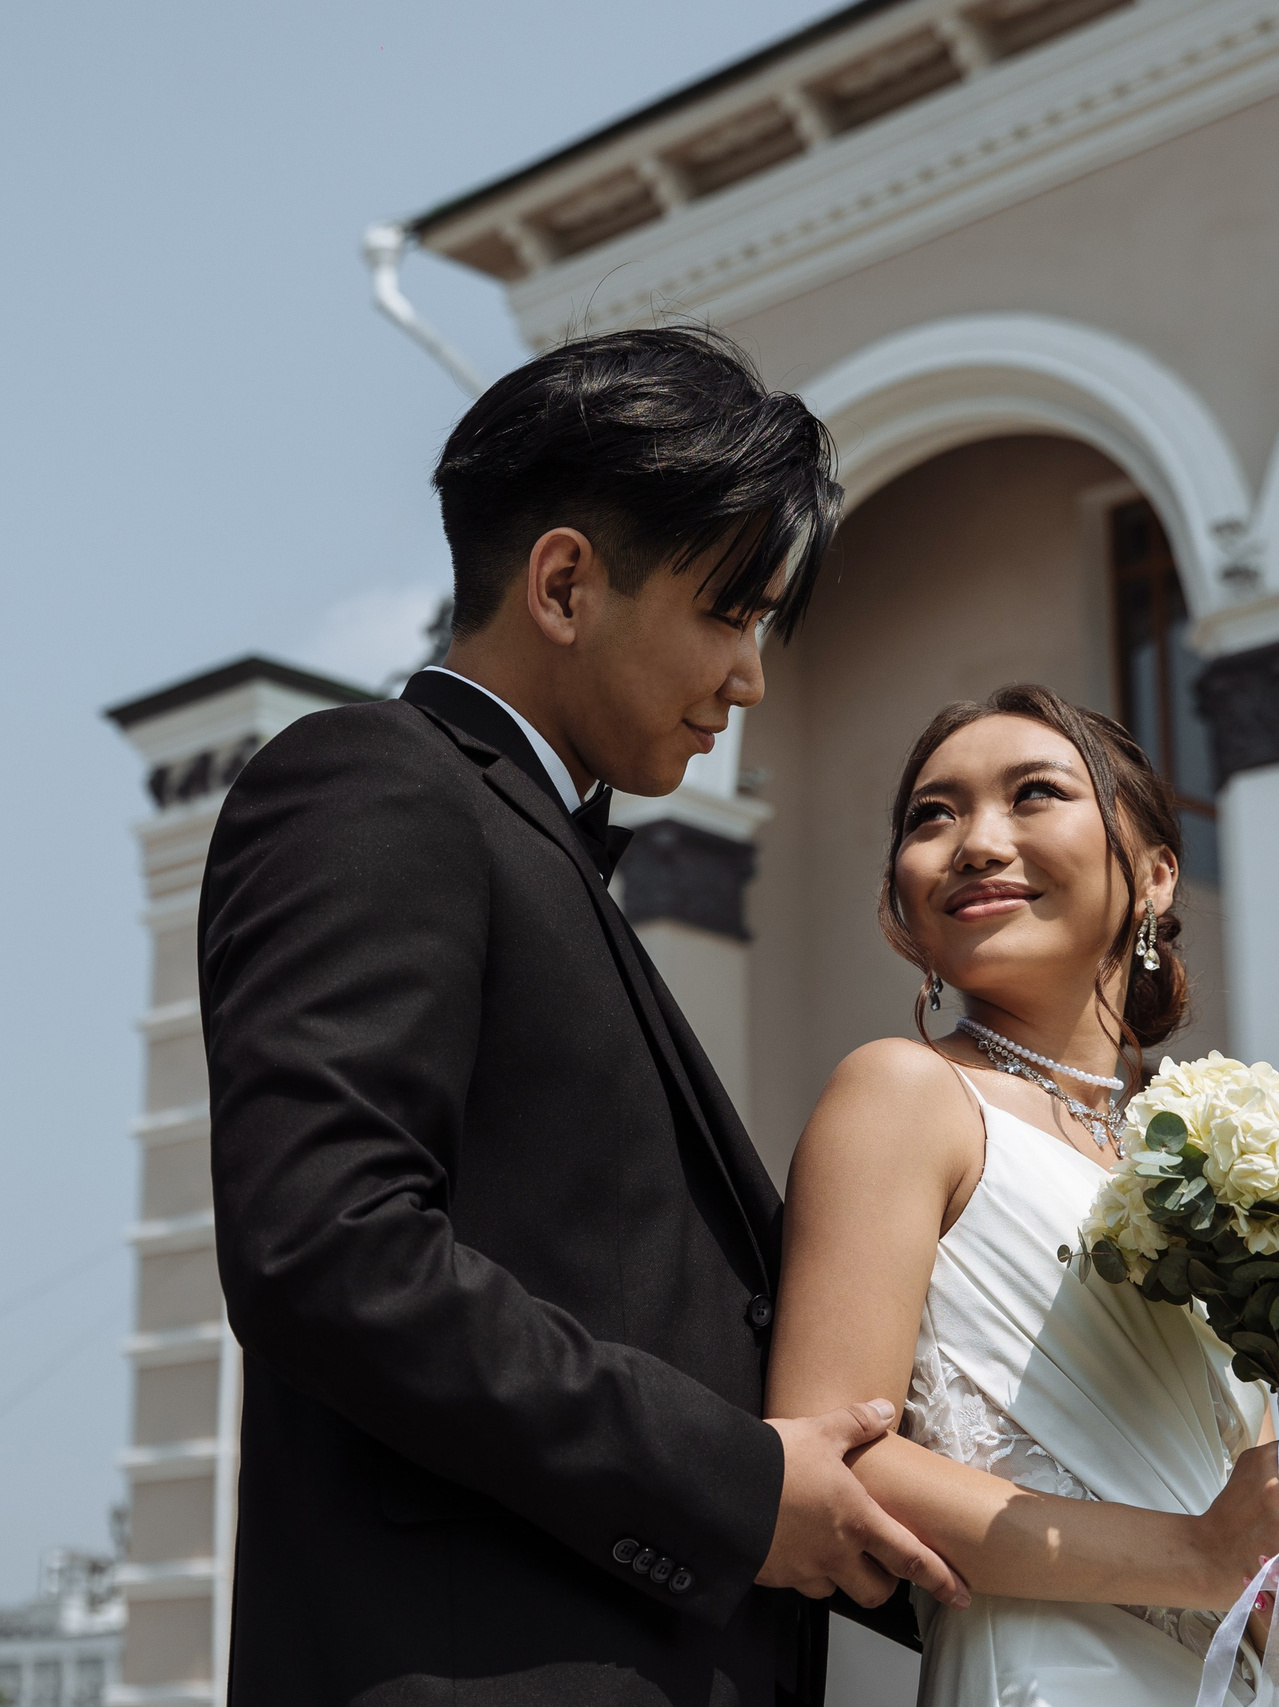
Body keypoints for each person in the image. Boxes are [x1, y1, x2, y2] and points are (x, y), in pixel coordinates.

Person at [197, 327, 959, 1707]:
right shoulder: (376, 783)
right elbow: (330, 1247)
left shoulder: (532, 846)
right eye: (730, 614)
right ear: (563, 581)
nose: (751, 678)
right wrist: (731, 1482)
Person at [765, 685, 1279, 1706]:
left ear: (1151, 876)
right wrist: (1200, 1552)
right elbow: (837, 1469)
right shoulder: (903, 1092)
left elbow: (1212, 1499)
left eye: (1032, 795)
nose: (974, 842)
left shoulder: (1195, 1156)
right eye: (933, 814)